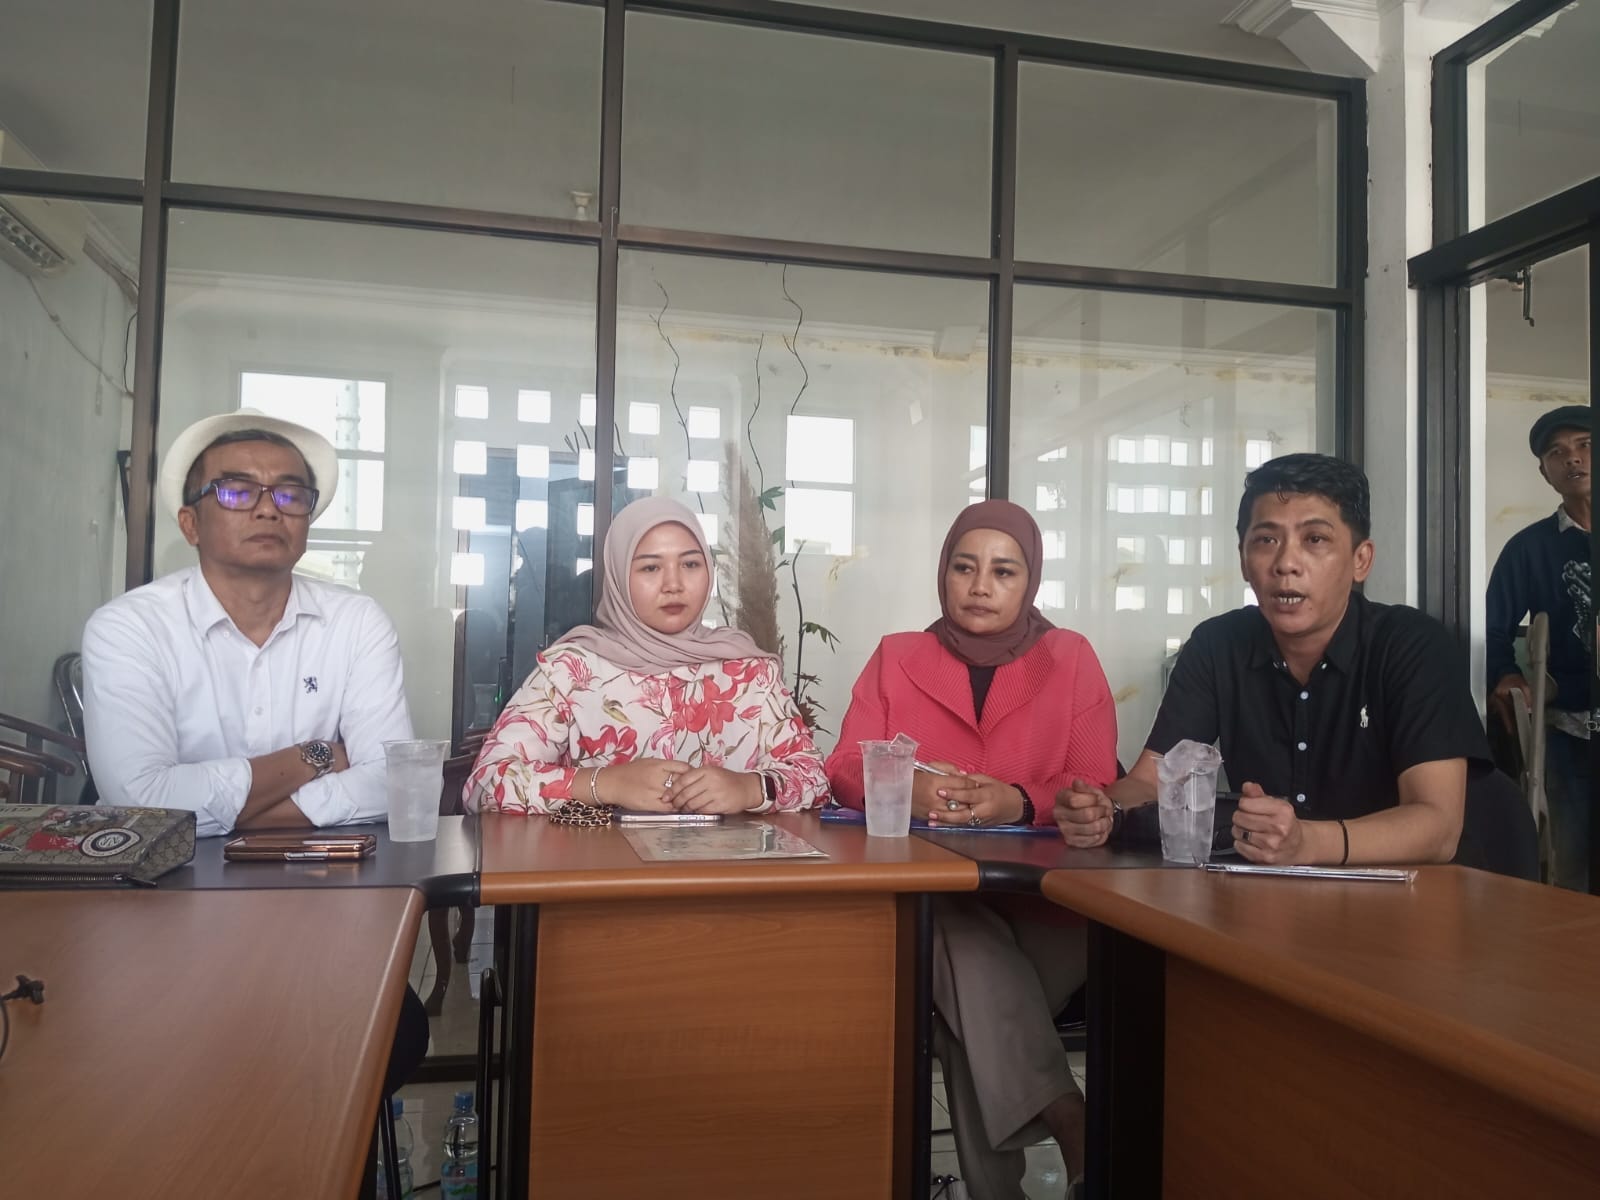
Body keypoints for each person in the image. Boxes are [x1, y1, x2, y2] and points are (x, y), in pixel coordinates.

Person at [81, 409, 427, 1092]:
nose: (269, 508)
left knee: (384, 1038)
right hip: (162, 903)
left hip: (321, 899)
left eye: (291, 493)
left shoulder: (355, 622)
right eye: (238, 490)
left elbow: (389, 778)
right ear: (191, 523)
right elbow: (141, 802)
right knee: (162, 1053)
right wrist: (318, 756)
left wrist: (214, 810)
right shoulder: (129, 629)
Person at [825, 500, 1118, 1200]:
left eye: (1004, 571)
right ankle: (1073, 1125)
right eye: (964, 567)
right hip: (943, 908)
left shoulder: (1070, 658)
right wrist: (906, 787)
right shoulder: (898, 656)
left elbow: (1094, 784)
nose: (981, 586)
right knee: (958, 950)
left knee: (969, 1002)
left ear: (1030, 581)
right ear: (944, 574)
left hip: (1050, 911)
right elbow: (841, 767)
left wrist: (1019, 799)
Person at [1059, 453, 1489, 872]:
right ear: (1244, 560)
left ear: (1361, 560)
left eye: (1315, 540)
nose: (1286, 564)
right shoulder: (1217, 645)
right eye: (1266, 540)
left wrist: (1308, 842)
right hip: (1275, 891)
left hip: (1425, 895)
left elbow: (1438, 825)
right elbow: (1150, 780)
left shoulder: (1412, 646)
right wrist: (1105, 809)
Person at [464, 495, 829, 816]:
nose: (673, 584)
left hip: (731, 870)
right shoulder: (572, 670)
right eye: (650, 567)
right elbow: (485, 784)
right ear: (619, 576)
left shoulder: (749, 671)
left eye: (690, 564)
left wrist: (750, 788)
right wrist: (606, 784)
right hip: (599, 870)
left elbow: (814, 778)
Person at [1485, 405, 1593, 891]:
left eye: (1585, 445)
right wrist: (1506, 674)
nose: (1572, 459)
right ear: (1545, 473)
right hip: (1568, 731)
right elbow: (1494, 629)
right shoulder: (1530, 548)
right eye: (1557, 452)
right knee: (1570, 863)